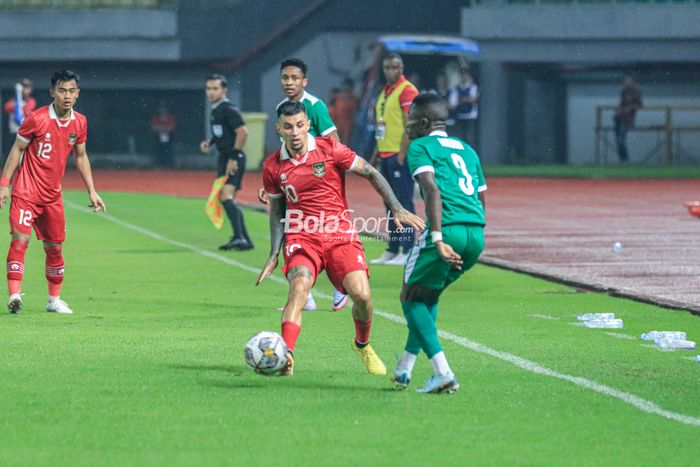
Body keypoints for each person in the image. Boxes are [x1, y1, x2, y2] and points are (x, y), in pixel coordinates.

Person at [256, 100, 424, 376]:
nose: (295, 132)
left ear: (308, 125)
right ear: (279, 129)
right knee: (298, 288)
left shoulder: (329, 149)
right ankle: (286, 355)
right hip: (302, 236)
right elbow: (277, 212)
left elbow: (370, 171)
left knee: (362, 295)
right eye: (288, 127)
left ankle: (362, 344)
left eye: (299, 125)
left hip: (340, 234)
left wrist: (396, 207)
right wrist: (274, 253)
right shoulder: (273, 166)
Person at [390, 93, 487, 394]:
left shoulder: (421, 146)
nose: (406, 127)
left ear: (423, 122)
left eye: (409, 121)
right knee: (427, 297)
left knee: (410, 297)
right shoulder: (468, 150)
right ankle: (404, 369)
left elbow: (431, 190)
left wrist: (438, 237)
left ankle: (443, 372)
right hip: (476, 233)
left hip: (447, 230)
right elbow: (481, 197)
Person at [0, 70, 106, 315]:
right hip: (26, 191)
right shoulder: (36, 119)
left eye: (71, 91)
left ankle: (53, 300)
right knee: (20, 240)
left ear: (77, 94)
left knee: (55, 249)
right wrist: (5, 184)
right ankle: (14, 295)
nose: (67, 96)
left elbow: (81, 156)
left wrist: (92, 190)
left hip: (52, 197)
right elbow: (16, 150)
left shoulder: (80, 122)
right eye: (62, 90)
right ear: (52, 92)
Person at [259, 57, 348, 312]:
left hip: (321, 178)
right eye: (285, 78)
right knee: (291, 226)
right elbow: (286, 146)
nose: (289, 82)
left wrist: (329, 177)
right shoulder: (282, 107)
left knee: (331, 229)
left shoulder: (315, 106)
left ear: (304, 81)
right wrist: (274, 181)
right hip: (293, 176)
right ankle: (304, 296)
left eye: (294, 78)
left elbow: (334, 142)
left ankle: (340, 286)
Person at [368, 53, 419, 266]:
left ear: (402, 68)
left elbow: (411, 123)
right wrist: (376, 153)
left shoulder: (406, 90)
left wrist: (402, 153)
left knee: (404, 202)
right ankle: (393, 247)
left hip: (399, 156)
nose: (390, 71)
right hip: (385, 153)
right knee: (390, 203)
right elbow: (382, 125)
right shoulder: (385, 92)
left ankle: (408, 249)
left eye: (394, 67)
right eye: (387, 67)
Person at [199, 74, 253, 251]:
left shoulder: (228, 109)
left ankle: (240, 238)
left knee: (225, 196)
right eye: (208, 88)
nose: (211, 92)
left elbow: (243, 132)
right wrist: (211, 142)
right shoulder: (216, 109)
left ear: (224, 90)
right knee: (227, 198)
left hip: (233, 159)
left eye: (215, 88)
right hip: (224, 158)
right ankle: (243, 239)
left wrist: (233, 157)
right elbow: (223, 132)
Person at [613, 75, 643, 163]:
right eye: (625, 81)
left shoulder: (636, 92)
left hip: (627, 119)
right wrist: (619, 110)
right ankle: (623, 159)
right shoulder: (624, 92)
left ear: (633, 82)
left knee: (621, 140)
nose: (626, 83)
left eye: (628, 81)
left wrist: (629, 109)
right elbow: (621, 104)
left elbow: (639, 104)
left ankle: (625, 159)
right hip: (618, 118)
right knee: (618, 140)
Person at [3, 79, 37, 153]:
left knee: (24, 158)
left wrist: (17, 105)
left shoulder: (31, 101)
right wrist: (17, 100)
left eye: (27, 88)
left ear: (30, 90)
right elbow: (7, 107)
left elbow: (25, 111)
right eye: (23, 87)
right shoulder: (14, 99)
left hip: (25, 134)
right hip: (13, 133)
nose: (24, 90)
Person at [453, 69, 479, 149]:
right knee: (460, 138)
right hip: (460, 116)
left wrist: (463, 99)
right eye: (462, 75)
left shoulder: (473, 87)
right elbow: (454, 102)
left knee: (469, 138)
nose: (463, 77)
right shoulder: (457, 88)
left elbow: (473, 99)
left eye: (465, 75)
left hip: (470, 116)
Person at [149, 103, 176, 168]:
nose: (162, 110)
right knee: (158, 150)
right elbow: (153, 127)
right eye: (161, 109)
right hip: (157, 137)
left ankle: (168, 165)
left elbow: (172, 127)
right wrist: (164, 127)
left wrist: (161, 127)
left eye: (163, 109)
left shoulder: (170, 117)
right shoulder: (155, 117)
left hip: (169, 137)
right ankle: (158, 164)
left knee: (168, 150)